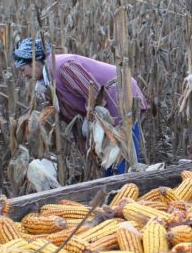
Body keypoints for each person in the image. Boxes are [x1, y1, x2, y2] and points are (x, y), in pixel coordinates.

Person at [13, 37, 148, 175]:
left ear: (34, 62)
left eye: (23, 70)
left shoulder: (64, 67)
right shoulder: (49, 78)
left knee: (123, 162)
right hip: (105, 114)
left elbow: (94, 94)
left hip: (120, 102)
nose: (24, 76)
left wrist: (89, 120)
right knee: (109, 164)